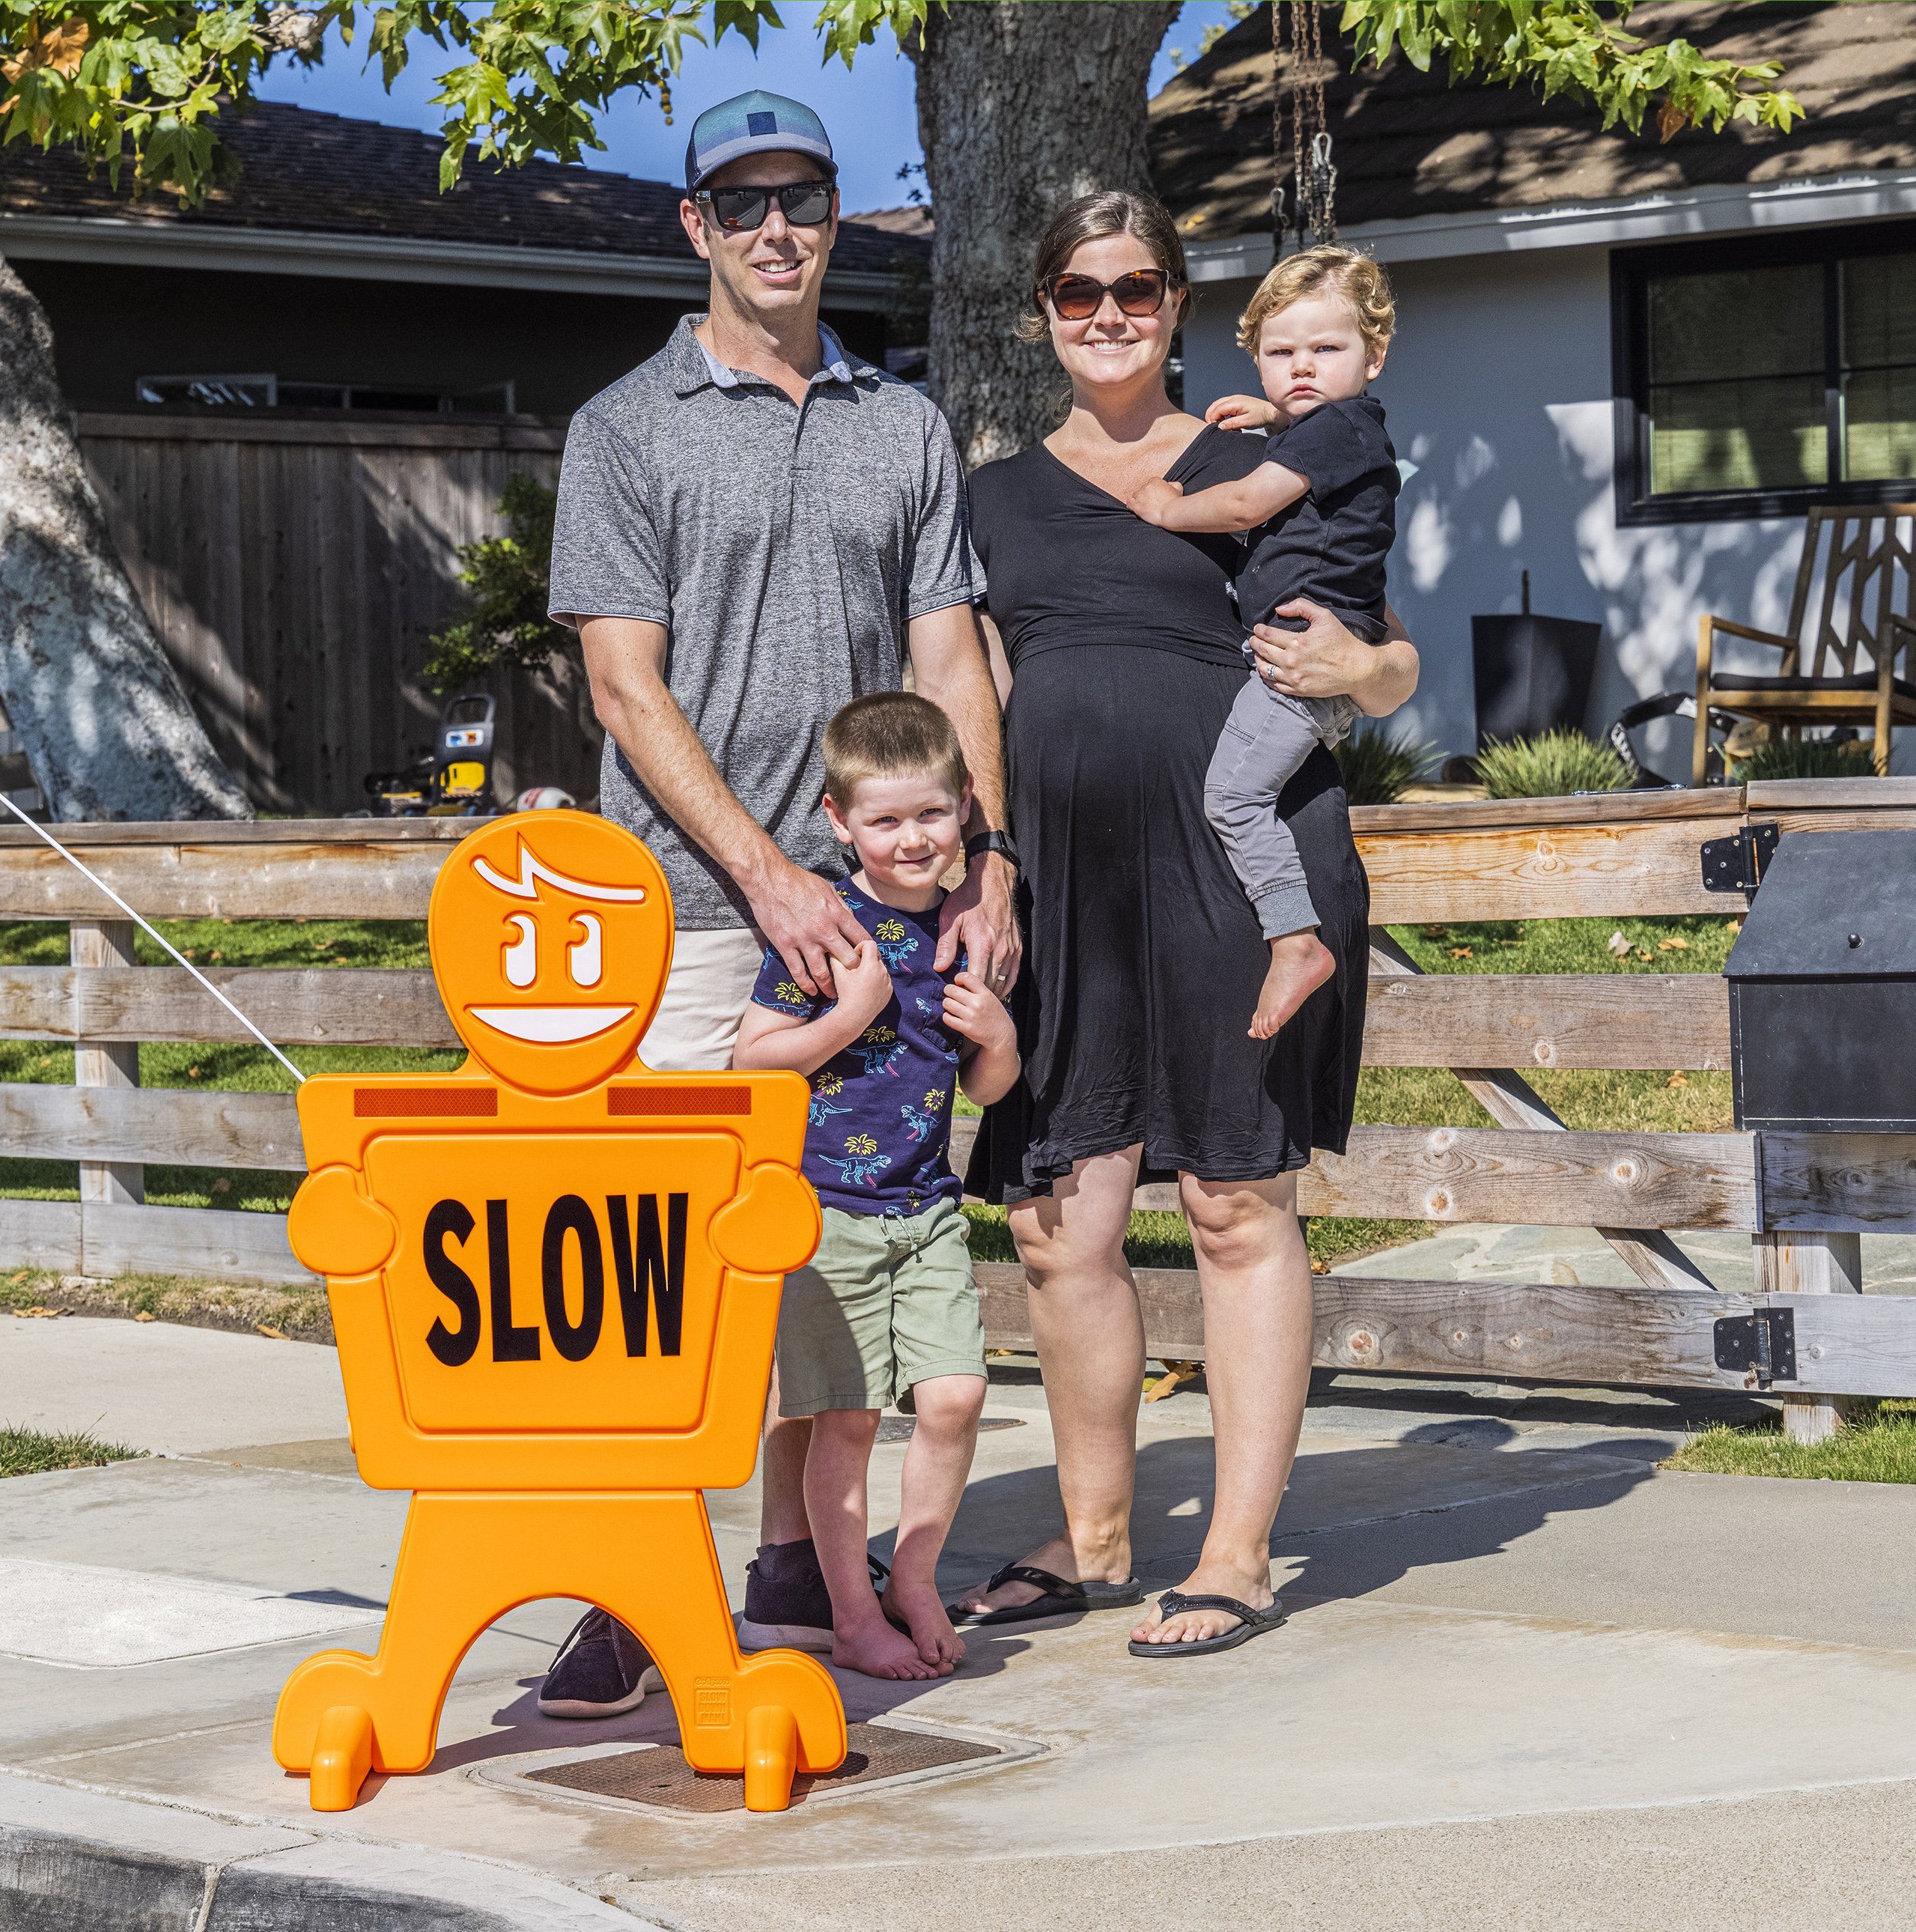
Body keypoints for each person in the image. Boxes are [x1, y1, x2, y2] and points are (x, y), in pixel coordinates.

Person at [538, 89, 1020, 1716]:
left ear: (832, 214)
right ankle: (632, 1579)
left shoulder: (905, 422)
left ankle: (793, 1559)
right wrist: (767, 874)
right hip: (694, 909)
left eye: (800, 197)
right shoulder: (626, 427)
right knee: (666, 1266)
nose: (774, 229)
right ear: (695, 225)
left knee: (829, 1243)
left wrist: (989, 859)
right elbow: (624, 685)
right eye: (739, 202)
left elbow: (951, 655)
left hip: (881, 905)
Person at [951, 190, 1419, 1656]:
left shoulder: (1261, 451)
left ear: (1174, 305)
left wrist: (1364, 672)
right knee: (1060, 1222)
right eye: (1078, 292)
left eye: (1138, 289)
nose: (1108, 315)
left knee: (1232, 1203)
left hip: (1239, 868)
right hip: (1064, 882)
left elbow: (1388, 656)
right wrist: (983, 865)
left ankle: (1235, 1552)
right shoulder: (991, 498)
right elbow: (972, 690)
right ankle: (1094, 1538)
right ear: (1042, 313)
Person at [733, 693, 1018, 1680]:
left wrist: (1001, 1042)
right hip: (826, 1220)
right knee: (847, 1420)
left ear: (965, 804)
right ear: (839, 819)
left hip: (928, 1209)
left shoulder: (964, 927)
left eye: (931, 814)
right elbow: (752, 1064)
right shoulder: (824, 927)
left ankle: (916, 1577)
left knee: (957, 1395)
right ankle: (853, 1617)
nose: (912, 839)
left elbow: (983, 1087)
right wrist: (848, 1018)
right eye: (886, 819)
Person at [1128, 247, 1402, 1040]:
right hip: (1302, 657)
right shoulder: (1335, 430)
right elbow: (1312, 458)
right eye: (1281, 354)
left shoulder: (1341, 427)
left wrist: (1166, 508)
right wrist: (1278, 419)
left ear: (1374, 357)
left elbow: (1249, 503)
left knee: (1233, 798)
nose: (1301, 367)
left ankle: (1293, 941)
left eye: (1326, 349)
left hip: (1301, 661)